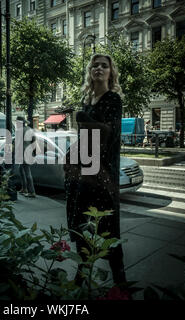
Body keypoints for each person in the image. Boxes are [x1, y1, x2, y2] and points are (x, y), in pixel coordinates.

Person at [64, 53, 127, 285]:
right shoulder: (87, 100)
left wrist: (85, 121)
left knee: (108, 231)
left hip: (102, 175)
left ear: (111, 73)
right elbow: (84, 138)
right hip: (81, 174)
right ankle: (80, 279)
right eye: (95, 65)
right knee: (81, 227)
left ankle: (121, 285)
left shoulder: (112, 100)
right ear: (90, 71)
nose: (99, 68)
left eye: (104, 66)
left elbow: (108, 135)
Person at [15, 116, 37, 198]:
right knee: (21, 169)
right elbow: (34, 140)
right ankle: (24, 188)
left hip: (23, 154)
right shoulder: (29, 129)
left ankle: (32, 192)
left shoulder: (19, 131)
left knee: (27, 172)